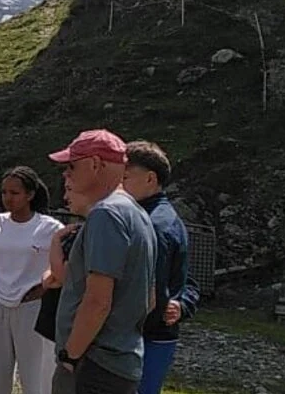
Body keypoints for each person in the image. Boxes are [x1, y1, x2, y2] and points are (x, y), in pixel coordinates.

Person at [48, 130, 157, 394]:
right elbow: (150, 298)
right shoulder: (137, 213)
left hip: (93, 365)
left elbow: (98, 301)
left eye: (72, 166)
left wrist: (70, 356)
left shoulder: (106, 214)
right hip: (121, 363)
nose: (66, 174)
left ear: (95, 164)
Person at [0, 167, 65, 394]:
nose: (8, 198)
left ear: (30, 195)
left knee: (35, 376)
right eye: (4, 192)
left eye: (15, 193)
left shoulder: (49, 227)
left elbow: (64, 260)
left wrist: (44, 286)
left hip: (32, 305)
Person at [122, 142, 196, 394]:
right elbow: (185, 278)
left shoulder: (152, 225)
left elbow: (150, 288)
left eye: (125, 177)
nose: (118, 184)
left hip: (144, 337)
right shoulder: (161, 217)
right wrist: (183, 304)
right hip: (157, 335)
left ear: (150, 179)